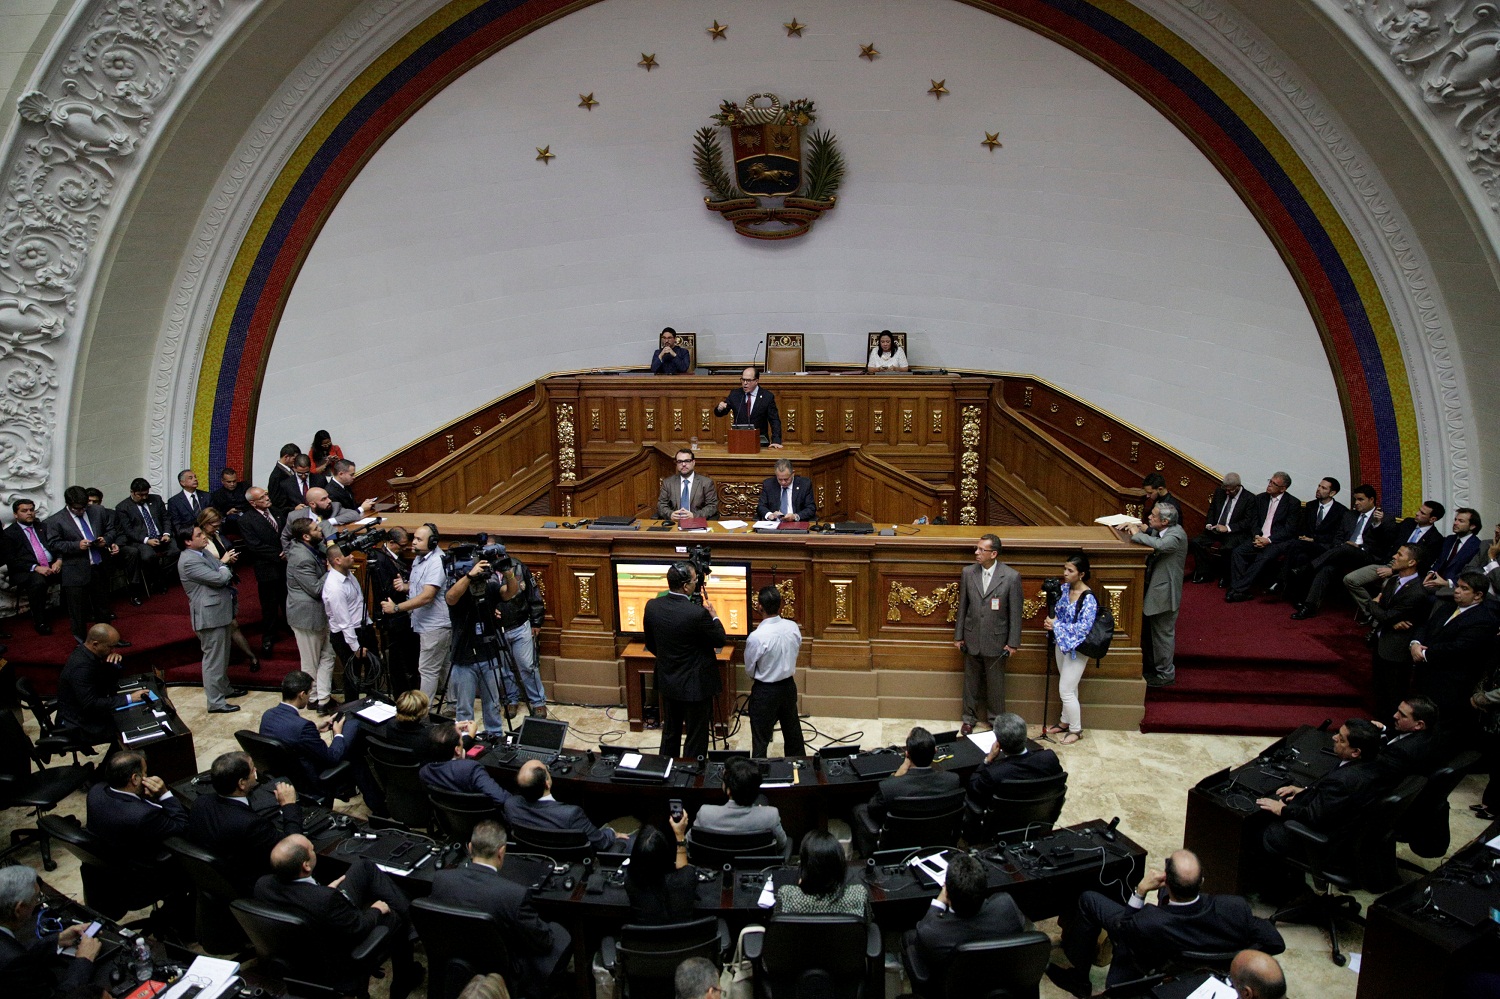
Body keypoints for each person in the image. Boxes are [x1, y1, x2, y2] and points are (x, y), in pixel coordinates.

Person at [1050, 850, 1283, 997]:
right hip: (1190, 966)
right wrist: (1235, 959)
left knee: (1089, 899)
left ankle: (1078, 979)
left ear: (1165, 884)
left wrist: (1140, 891)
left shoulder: (1150, 921)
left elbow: (1124, 928)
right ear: (1201, 881)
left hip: (1150, 958)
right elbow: (1275, 942)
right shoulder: (1234, 907)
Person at [255, 835, 423, 999]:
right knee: (393, 916)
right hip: (337, 956)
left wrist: (324, 892)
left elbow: (304, 903)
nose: (314, 851)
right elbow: (360, 928)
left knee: (363, 867)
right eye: (312, 849)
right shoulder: (325, 899)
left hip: (312, 934)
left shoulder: (262, 885)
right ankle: (404, 980)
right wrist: (376, 909)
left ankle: (413, 925)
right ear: (306, 866)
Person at [429, 820, 571, 996]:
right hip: (504, 970)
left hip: (457, 959)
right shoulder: (513, 895)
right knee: (559, 934)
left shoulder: (441, 880)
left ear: (470, 847)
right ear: (501, 852)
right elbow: (543, 941)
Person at [1256, 719, 1388, 860]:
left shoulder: (1342, 782)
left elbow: (1312, 818)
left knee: (1257, 827)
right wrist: (1305, 790)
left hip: (1323, 842)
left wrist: (1281, 809)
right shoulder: (1374, 763)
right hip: (1347, 830)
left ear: (1355, 751)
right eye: (1338, 733)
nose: (1334, 737)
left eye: (1341, 739)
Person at [185, 751, 302, 894]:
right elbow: (293, 848)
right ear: (241, 783)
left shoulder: (200, 802)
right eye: (253, 770)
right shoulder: (251, 825)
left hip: (214, 878)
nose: (256, 772)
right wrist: (289, 805)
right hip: (251, 884)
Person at [643, 561, 726, 759]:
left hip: (668, 681)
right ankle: (691, 776)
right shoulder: (697, 614)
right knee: (696, 737)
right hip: (695, 687)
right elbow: (719, 639)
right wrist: (714, 617)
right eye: (695, 580)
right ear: (686, 586)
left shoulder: (652, 606)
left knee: (670, 732)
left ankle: (666, 771)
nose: (697, 584)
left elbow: (651, 643)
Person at [1409, 571, 1498, 738]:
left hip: (1449, 684)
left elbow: (1460, 648)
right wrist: (1415, 643)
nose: (1456, 590)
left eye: (1464, 588)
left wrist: (1425, 654)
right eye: (1457, 586)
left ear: (1478, 595)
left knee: (1435, 729)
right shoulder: (1447, 607)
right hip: (1425, 675)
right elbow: (1425, 627)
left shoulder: (1484, 620)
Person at [905, 852, 1025, 972]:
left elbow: (925, 929)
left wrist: (939, 902)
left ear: (947, 894)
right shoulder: (1007, 906)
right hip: (998, 978)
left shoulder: (931, 933)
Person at [853, 727, 961, 857]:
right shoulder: (953, 780)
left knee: (859, 809)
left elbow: (873, 809)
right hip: (937, 844)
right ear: (935, 751)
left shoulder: (890, 787)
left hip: (897, 849)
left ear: (907, 755)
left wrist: (895, 777)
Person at [953, 533, 1022, 735]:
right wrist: (958, 636)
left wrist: (1013, 643)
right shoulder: (968, 573)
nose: (977, 553)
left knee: (996, 686)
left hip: (997, 640)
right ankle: (968, 719)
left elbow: (1015, 614)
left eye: (982, 550)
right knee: (970, 683)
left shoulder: (1011, 577)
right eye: (977, 548)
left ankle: (996, 721)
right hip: (972, 636)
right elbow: (962, 607)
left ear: (993, 553)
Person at [1291, 483, 1392, 618]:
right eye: (1355, 499)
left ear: (1371, 500)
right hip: (1342, 554)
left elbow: (1385, 545)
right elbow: (1337, 539)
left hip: (1366, 557)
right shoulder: (1349, 515)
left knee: (1345, 548)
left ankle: (1308, 568)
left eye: (1360, 499)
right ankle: (1309, 607)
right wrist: (1345, 545)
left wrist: (1377, 525)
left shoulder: (1385, 519)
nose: (1356, 503)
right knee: (1326, 568)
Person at [0, 865, 101, 997]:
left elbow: (14, 952)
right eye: (36, 898)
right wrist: (84, 960)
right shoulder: (14, 963)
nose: (38, 902)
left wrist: (58, 940)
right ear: (19, 909)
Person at [177, 524, 248, 713]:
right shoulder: (189, 561)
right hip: (209, 615)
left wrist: (222, 567)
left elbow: (220, 570)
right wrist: (224, 564)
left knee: (222, 655)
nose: (204, 537)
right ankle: (215, 702)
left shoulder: (203, 553)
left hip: (219, 611)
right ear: (188, 541)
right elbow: (220, 577)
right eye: (199, 535)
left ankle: (225, 689)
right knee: (213, 660)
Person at [443, 551, 513, 732]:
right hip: (464, 657)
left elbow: (508, 593)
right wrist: (469, 577)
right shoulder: (459, 588)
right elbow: (450, 598)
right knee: (464, 707)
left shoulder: (489, 587)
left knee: (493, 703)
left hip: (489, 653)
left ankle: (495, 735)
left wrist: (509, 575)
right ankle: (465, 739)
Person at [1121, 503, 1188, 687]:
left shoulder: (1177, 535)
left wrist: (1137, 533)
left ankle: (1166, 674)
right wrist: (1146, 529)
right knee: (1154, 633)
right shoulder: (1166, 529)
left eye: (1153, 516)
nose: (1149, 517)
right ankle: (1155, 667)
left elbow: (1160, 544)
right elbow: (1157, 535)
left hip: (1165, 594)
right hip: (1156, 590)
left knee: (1162, 634)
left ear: (1165, 521)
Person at [382, 523, 451, 700]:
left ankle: (423, 713)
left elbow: (427, 596)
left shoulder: (436, 562)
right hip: (423, 623)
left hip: (435, 626)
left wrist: (396, 608)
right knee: (443, 666)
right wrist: (406, 587)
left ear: (433, 542)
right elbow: (420, 586)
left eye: (419, 540)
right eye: (414, 538)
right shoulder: (420, 558)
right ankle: (453, 703)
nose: (413, 543)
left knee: (427, 670)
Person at [44, 484, 121, 643]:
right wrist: (75, 546)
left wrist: (105, 540)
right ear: (68, 504)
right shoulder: (55, 520)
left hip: (99, 566)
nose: (81, 511)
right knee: (78, 612)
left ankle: (108, 640)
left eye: (84, 507)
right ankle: (82, 643)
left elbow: (112, 530)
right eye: (77, 509)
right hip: (75, 571)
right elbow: (53, 544)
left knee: (103, 607)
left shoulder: (98, 511)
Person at [1343, 500, 1448, 616]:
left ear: (1432, 519)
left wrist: (1392, 571)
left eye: (1422, 513)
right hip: (1388, 562)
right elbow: (1388, 538)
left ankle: (1380, 619)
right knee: (1350, 579)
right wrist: (1378, 523)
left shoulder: (1435, 539)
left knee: (1387, 586)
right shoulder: (1408, 523)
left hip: (1406, 572)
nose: (1417, 513)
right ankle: (1372, 613)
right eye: (1419, 510)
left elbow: (1423, 564)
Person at [1365, 544, 1433, 720]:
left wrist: (1372, 604)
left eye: (1399, 554)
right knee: (1379, 692)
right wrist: (1387, 618)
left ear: (1411, 562)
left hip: (1396, 652)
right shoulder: (1393, 581)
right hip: (1381, 643)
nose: (1394, 556)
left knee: (1392, 696)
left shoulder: (1417, 592)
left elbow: (1385, 614)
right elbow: (1387, 615)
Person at [259, 670, 351, 794]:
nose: (309, 697)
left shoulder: (267, 715)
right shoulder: (303, 727)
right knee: (351, 735)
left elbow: (288, 734)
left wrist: (316, 728)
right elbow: (332, 758)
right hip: (308, 783)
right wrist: (338, 733)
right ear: (302, 694)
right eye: (309, 693)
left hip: (281, 777)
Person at [507, 760, 629, 852]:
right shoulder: (570, 814)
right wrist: (612, 833)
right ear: (547, 784)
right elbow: (601, 842)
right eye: (547, 769)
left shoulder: (511, 805)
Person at [56, 623, 145, 745]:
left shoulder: (87, 653)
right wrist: (129, 698)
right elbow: (91, 704)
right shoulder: (81, 668)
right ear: (95, 644)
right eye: (110, 647)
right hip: (80, 723)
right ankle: (115, 764)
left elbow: (104, 682)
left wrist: (114, 664)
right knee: (129, 728)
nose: (113, 650)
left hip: (85, 713)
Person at [85, 750, 188, 854]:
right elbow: (182, 826)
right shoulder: (144, 815)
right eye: (145, 772)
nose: (147, 776)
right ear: (135, 779)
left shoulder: (95, 791)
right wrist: (164, 794)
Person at [743, 585, 804, 757]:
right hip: (788, 687)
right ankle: (800, 770)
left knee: (760, 739)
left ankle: (759, 774)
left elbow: (749, 669)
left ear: (759, 607)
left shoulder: (757, 637)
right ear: (780, 604)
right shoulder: (793, 627)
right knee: (793, 735)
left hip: (765, 691)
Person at [286, 518, 339, 713]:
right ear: (306, 536)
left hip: (319, 614)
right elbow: (315, 589)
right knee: (310, 662)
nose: (321, 531)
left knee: (328, 655)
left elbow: (328, 552)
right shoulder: (301, 557)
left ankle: (323, 698)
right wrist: (331, 569)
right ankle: (311, 698)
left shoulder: (312, 547)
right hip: (306, 617)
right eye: (317, 529)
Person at [1043, 552, 1097, 743]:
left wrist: (1056, 625)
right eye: (1065, 569)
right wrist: (1052, 622)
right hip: (1061, 643)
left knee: (1065, 689)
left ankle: (1076, 730)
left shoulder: (1088, 598)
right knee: (1070, 687)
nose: (1065, 573)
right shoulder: (1064, 590)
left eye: (1070, 570)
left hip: (1078, 649)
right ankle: (1065, 721)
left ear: (1081, 574)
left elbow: (1083, 628)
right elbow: (1058, 614)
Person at [691, 757, 790, 858]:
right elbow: (782, 844)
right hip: (757, 868)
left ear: (728, 790)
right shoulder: (770, 816)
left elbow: (690, 843)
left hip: (716, 867)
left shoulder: (705, 814)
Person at [1224, 472, 1301, 600]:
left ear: (1283, 488)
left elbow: (1289, 530)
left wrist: (1268, 540)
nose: (1269, 485)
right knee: (1238, 552)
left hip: (1276, 542)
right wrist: (1256, 536)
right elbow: (1254, 522)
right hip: (1258, 537)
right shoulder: (1260, 498)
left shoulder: (1293, 503)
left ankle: (1236, 589)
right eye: (1269, 481)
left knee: (1263, 557)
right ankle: (1239, 590)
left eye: (1274, 484)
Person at [967, 711, 1063, 813]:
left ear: (998, 745)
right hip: (1039, 817)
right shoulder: (1049, 758)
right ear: (1025, 738)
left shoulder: (994, 773)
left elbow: (973, 790)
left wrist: (987, 760)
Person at [1271, 476, 1348, 598]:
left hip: (1325, 548)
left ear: (1332, 493)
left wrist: (1314, 540)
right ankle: (1299, 597)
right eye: (1319, 486)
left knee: (1293, 544)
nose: (1318, 489)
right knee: (1302, 557)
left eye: (1323, 488)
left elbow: (1337, 536)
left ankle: (1280, 580)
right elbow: (1302, 527)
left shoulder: (1341, 511)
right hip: (1306, 546)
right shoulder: (1310, 506)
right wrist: (1304, 537)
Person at [323, 540, 376, 701]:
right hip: (347, 636)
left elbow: (358, 602)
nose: (352, 556)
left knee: (373, 668)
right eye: (348, 555)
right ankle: (352, 708)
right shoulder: (334, 588)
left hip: (362, 627)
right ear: (337, 560)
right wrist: (356, 647)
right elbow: (343, 621)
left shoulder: (348, 574)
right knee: (352, 674)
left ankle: (372, 702)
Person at [774, 830, 869, 917]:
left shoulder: (786, 895)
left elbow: (779, 925)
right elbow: (867, 924)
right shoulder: (859, 895)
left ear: (805, 867)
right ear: (840, 865)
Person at [368, 527, 418, 693]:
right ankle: (401, 694)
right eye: (402, 545)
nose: (405, 549)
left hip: (402, 616)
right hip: (393, 619)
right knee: (397, 660)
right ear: (390, 542)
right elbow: (386, 591)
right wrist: (404, 586)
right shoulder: (380, 559)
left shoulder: (392, 557)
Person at [239, 486, 287, 655]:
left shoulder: (276, 511)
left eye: (266, 494)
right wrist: (278, 555)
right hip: (267, 567)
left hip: (285, 564)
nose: (267, 497)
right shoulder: (246, 520)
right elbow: (254, 545)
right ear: (253, 503)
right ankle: (269, 636)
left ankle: (290, 627)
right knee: (269, 604)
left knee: (287, 598)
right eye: (262, 497)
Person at [4, 499, 62, 635]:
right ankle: (40, 621)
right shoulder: (9, 534)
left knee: (73, 569)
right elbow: (12, 561)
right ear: (15, 514)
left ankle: (71, 610)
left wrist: (59, 560)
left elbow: (56, 544)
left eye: (31, 510)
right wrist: (35, 567)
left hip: (51, 565)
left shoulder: (43, 526)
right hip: (26, 571)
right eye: (24, 511)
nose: (29, 513)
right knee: (38, 581)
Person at [418, 722, 511, 806]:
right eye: (462, 739)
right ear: (457, 750)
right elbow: (502, 799)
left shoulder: (425, 772)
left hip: (448, 820)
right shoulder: (471, 769)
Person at [625, 816, 697, 924]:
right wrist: (679, 835)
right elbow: (683, 870)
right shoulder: (686, 879)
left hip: (647, 940)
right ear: (666, 856)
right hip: (683, 940)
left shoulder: (631, 883)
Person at [113, 478, 177, 595]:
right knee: (148, 556)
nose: (144, 497)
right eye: (140, 495)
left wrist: (167, 533)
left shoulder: (156, 499)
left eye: (146, 494)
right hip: (141, 541)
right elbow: (128, 531)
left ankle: (161, 577)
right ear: (132, 492)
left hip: (161, 537)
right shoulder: (122, 507)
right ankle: (158, 580)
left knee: (176, 551)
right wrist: (147, 540)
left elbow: (166, 518)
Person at [1188, 473, 1254, 583]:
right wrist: (1209, 523)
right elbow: (1212, 509)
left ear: (1237, 487)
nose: (1227, 492)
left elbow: (1247, 522)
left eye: (1230, 490)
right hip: (1215, 530)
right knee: (1196, 542)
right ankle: (1205, 573)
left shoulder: (1249, 498)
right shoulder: (1220, 492)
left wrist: (1227, 528)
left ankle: (1225, 576)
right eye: (1225, 489)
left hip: (1233, 533)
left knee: (1227, 548)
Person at [279, 485, 373, 551]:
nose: (329, 501)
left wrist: (329, 522)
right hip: (310, 556)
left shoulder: (334, 507)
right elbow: (285, 537)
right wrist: (290, 555)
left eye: (327, 497)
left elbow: (354, 514)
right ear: (312, 504)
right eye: (323, 499)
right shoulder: (295, 516)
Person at [713, 366, 783, 447]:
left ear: (756, 381)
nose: (745, 383)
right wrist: (720, 408)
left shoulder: (767, 396)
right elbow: (720, 413)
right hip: (739, 441)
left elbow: (774, 420)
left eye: (748, 380)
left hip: (760, 442)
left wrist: (776, 441)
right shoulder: (735, 394)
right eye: (743, 380)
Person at [1376, 696, 1445, 776]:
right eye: (1398, 711)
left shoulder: (1400, 751)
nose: (1395, 715)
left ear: (1419, 724)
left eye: (1403, 715)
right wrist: (1383, 729)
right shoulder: (1432, 727)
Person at [657, 449, 719, 522]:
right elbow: (661, 505)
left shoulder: (706, 482)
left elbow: (712, 506)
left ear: (693, 462)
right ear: (676, 464)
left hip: (697, 522)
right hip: (675, 523)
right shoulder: (668, 482)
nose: (683, 464)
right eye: (680, 461)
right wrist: (671, 514)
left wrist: (694, 516)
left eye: (687, 461)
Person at [165, 469, 212, 533]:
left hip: (209, 532)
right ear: (182, 482)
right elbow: (176, 525)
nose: (195, 479)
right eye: (190, 478)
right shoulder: (174, 501)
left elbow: (214, 516)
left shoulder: (207, 496)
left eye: (195, 477)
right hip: (188, 535)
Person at [266, 443, 301, 516]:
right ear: (286, 457)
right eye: (294, 459)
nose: (296, 462)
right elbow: (277, 502)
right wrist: (293, 508)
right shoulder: (277, 476)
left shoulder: (290, 469)